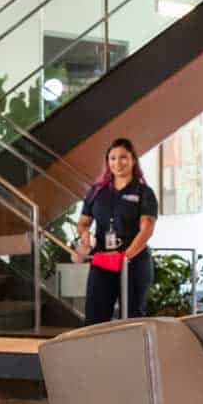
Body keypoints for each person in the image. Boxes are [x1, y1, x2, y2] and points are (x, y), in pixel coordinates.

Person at [73, 137, 157, 324]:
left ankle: (133, 354)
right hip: (103, 261)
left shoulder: (144, 192)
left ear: (133, 160)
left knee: (132, 319)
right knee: (95, 317)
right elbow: (83, 222)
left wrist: (125, 257)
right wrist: (84, 234)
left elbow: (147, 230)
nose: (117, 163)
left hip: (133, 262)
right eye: (112, 158)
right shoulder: (96, 192)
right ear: (107, 161)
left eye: (123, 157)